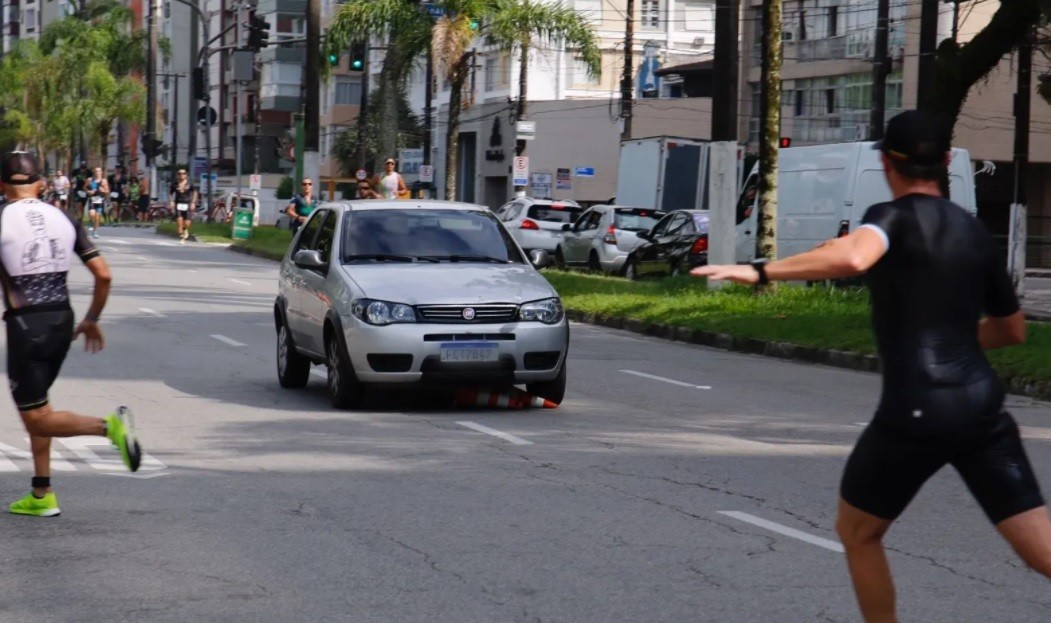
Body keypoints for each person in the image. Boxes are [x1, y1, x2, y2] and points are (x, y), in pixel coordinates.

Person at [692, 110, 1051, 622]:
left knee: (859, 532)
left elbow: (856, 258)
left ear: (887, 162)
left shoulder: (890, 217)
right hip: (981, 408)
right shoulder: (974, 231)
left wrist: (759, 269)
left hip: (918, 410)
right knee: (1041, 552)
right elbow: (1011, 329)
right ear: (946, 162)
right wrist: (954, 338)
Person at [0, 152, 142, 517]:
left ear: (1, 185)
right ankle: (41, 492)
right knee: (40, 405)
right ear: (42, 184)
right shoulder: (63, 216)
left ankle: (108, 427)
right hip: (63, 320)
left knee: (36, 417)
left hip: (26, 325)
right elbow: (104, 275)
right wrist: (92, 318)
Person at [169, 168, 197, 243]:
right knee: (179, 222)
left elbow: (195, 192)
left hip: (187, 203)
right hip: (178, 204)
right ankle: (181, 237)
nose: (181, 175)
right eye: (180, 174)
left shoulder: (190, 183)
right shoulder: (174, 184)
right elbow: (170, 193)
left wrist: (193, 202)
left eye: (183, 173)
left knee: (187, 223)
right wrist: (171, 201)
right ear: (177, 175)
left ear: (186, 175)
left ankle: (185, 230)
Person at [85, 166, 109, 238]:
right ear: (94, 172)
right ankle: (93, 223)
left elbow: (107, 191)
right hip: (92, 199)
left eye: (99, 171)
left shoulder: (104, 181)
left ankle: (95, 231)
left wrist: (103, 190)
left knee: (97, 217)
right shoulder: (90, 180)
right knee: (92, 214)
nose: (97, 173)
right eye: (96, 171)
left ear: (101, 172)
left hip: (100, 200)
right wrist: (89, 191)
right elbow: (85, 187)